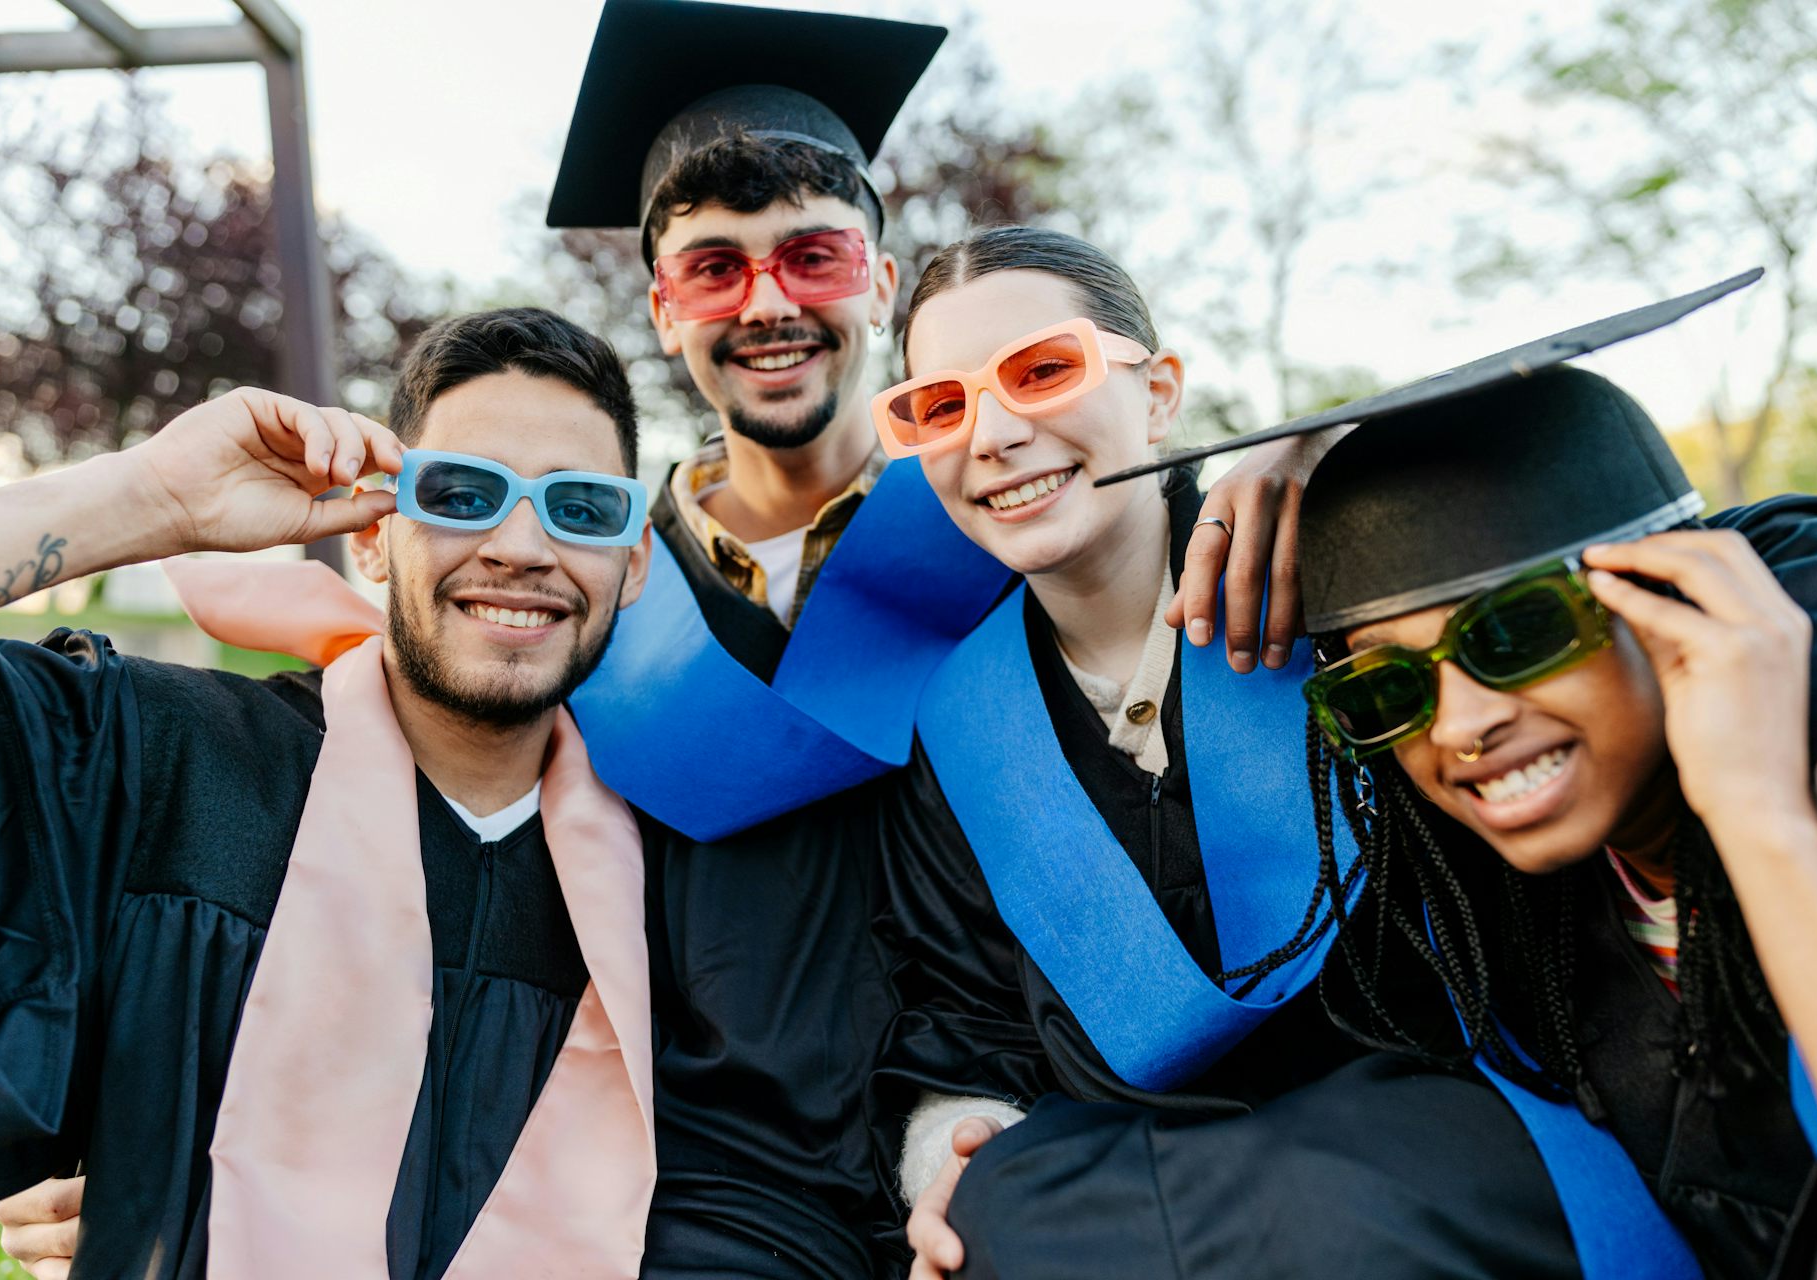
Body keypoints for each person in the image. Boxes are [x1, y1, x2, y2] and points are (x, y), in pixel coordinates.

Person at [542, 4, 1348, 1273]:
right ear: (661, 305)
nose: (766, 304)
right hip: (734, 1176)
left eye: (811, 256)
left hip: (1057, 1121)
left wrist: (1344, 454)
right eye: (714, 268)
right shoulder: (610, 594)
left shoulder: (1008, 517)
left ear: (875, 275)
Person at [867, 225, 1587, 1280]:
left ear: (1160, 392)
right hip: (1148, 1186)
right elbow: (967, 1021)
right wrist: (955, 1146)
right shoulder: (961, 726)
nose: (993, 432)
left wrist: (1338, 454)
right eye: (941, 405)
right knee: (1003, 1213)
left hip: (1434, 1162)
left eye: (1042, 370)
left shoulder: (1347, 597)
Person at [1170, 285, 1817, 1278]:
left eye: (1517, 631)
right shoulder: (1490, 909)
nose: (1463, 727)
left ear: (1667, 593)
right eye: (1389, 686)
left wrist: (1758, 806)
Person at [0, 308, 657, 1279]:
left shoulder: (674, 885)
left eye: (581, 507)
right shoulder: (158, 763)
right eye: (461, 493)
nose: (520, 545)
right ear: (374, 536)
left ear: (629, 563)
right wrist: (147, 497)